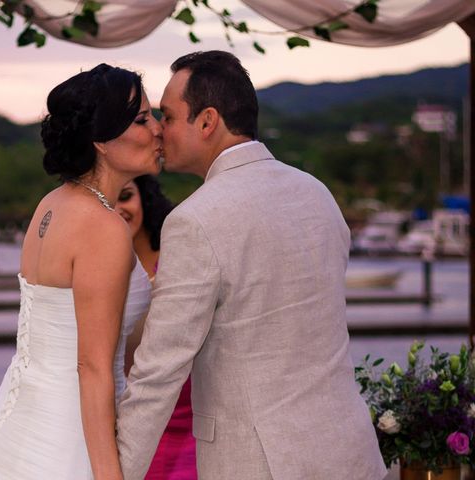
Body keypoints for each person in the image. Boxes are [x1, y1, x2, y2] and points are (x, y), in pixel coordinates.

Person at [116, 51, 387, 480]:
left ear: (207, 121)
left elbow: (158, 372)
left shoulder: (195, 219)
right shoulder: (317, 194)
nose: (158, 131)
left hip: (258, 462)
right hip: (350, 449)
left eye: (167, 116)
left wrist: (117, 473)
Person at [0, 63, 162, 480]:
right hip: (70, 437)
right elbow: (92, 366)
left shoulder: (51, 205)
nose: (157, 129)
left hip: (21, 419)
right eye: (141, 119)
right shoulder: (103, 227)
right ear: (101, 139)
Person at [116, 176, 197, 480]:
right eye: (105, 202)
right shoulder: (100, 271)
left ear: (146, 199)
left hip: (187, 419)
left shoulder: (178, 261)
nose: (116, 209)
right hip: (128, 422)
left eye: (125, 197)